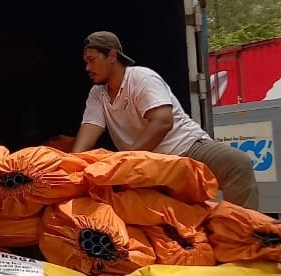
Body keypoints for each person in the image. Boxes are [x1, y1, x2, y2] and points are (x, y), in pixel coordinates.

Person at [72, 31, 258, 209]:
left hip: (186, 148)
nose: (88, 68)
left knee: (237, 164)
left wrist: (126, 161)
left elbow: (163, 122)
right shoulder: (97, 94)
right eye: (86, 62)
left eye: (92, 60)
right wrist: (70, 165)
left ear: (112, 56)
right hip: (148, 163)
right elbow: (89, 129)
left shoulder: (141, 78)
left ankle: (240, 229)